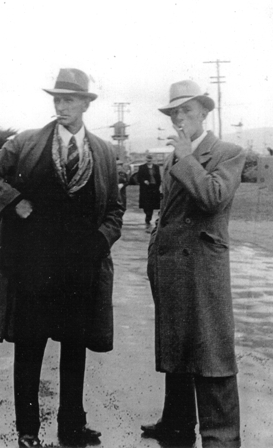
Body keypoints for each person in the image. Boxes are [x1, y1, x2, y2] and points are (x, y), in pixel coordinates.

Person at [0, 68, 124, 448]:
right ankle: (28, 430)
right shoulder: (26, 143)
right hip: (32, 268)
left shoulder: (104, 152)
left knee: (75, 349)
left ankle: (72, 425)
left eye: (69, 99)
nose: (61, 106)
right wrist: (13, 201)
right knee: (29, 348)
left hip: (79, 270)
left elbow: (115, 211)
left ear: (86, 104)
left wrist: (100, 241)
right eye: (56, 99)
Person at [141, 80, 246, 448]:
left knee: (211, 352)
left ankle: (221, 437)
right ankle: (177, 424)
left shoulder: (228, 152)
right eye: (174, 112)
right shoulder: (175, 155)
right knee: (177, 347)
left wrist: (186, 158)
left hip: (202, 268)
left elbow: (213, 198)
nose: (179, 118)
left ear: (204, 111)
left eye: (186, 110)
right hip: (170, 266)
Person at [137, 154, 161, 232]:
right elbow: (138, 178)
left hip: (154, 188)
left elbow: (158, 177)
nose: (148, 161)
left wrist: (159, 187)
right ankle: (148, 217)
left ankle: (148, 220)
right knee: (146, 205)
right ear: (146, 160)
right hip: (145, 189)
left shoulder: (156, 167)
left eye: (150, 160)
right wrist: (144, 181)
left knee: (151, 205)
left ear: (152, 160)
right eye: (147, 160)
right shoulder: (141, 167)